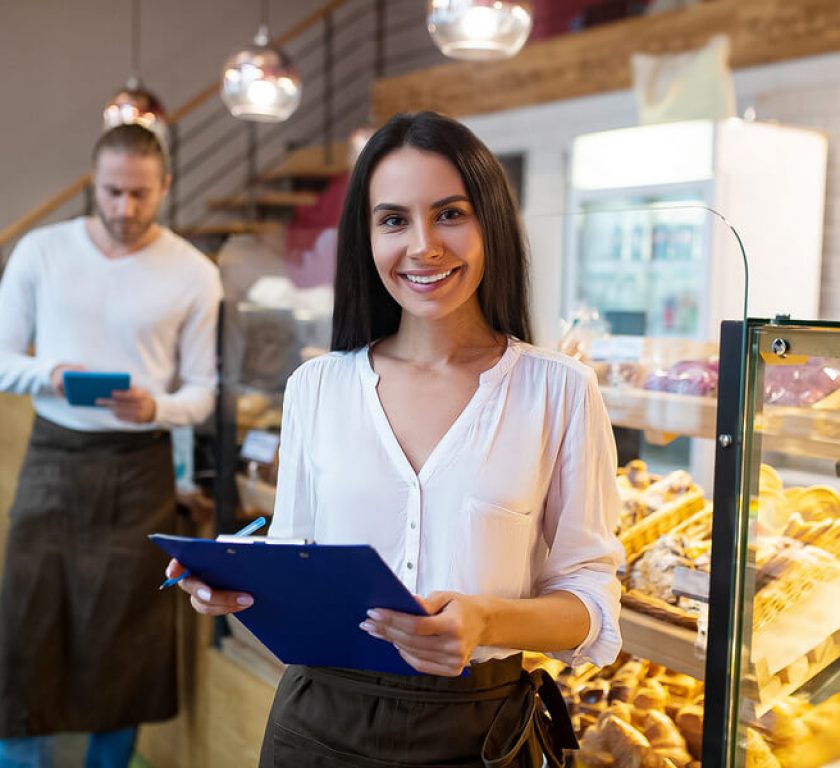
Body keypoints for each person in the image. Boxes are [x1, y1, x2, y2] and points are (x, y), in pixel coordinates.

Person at [170, 111, 623, 766]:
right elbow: (297, 559)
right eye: (393, 220)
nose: (423, 246)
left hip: (480, 733)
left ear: (491, 222)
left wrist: (487, 620)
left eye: (449, 214)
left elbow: (592, 604)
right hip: (316, 726)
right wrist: (235, 588)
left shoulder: (558, 390)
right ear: (367, 237)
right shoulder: (316, 386)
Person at [0, 123, 222, 768]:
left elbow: (203, 392)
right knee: (28, 624)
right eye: (112, 192)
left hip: (140, 467)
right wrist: (52, 374)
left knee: (127, 637)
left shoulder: (194, 272)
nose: (125, 208)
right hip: (53, 457)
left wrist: (159, 405)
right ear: (93, 183)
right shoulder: (41, 251)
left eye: (140, 195)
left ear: (166, 188)